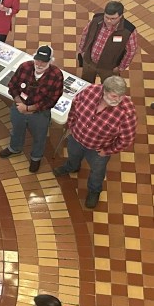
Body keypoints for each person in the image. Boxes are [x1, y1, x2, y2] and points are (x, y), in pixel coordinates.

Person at [53, 75, 137, 209]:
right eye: (114, 96)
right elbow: (74, 105)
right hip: (76, 137)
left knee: (97, 172)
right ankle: (72, 167)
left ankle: (94, 190)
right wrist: (71, 125)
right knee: (73, 155)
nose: (119, 100)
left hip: (98, 149)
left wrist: (107, 151)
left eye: (121, 96)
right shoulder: (90, 91)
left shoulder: (127, 112)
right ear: (104, 90)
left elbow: (127, 139)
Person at [0, 45, 64, 173]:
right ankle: (14, 148)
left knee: (40, 137)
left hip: (39, 114)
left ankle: (36, 157)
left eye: (44, 61)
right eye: (37, 59)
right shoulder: (25, 67)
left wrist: (29, 108)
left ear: (50, 61)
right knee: (16, 130)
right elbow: (12, 86)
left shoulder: (56, 75)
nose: (39, 64)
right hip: (19, 108)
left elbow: (52, 99)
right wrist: (20, 105)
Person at [77, 1, 137, 84]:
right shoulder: (96, 20)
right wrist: (82, 51)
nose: (108, 21)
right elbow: (85, 34)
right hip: (89, 62)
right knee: (86, 84)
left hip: (109, 68)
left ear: (120, 16)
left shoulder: (128, 30)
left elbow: (131, 51)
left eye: (113, 18)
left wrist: (120, 68)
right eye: (106, 17)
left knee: (108, 88)